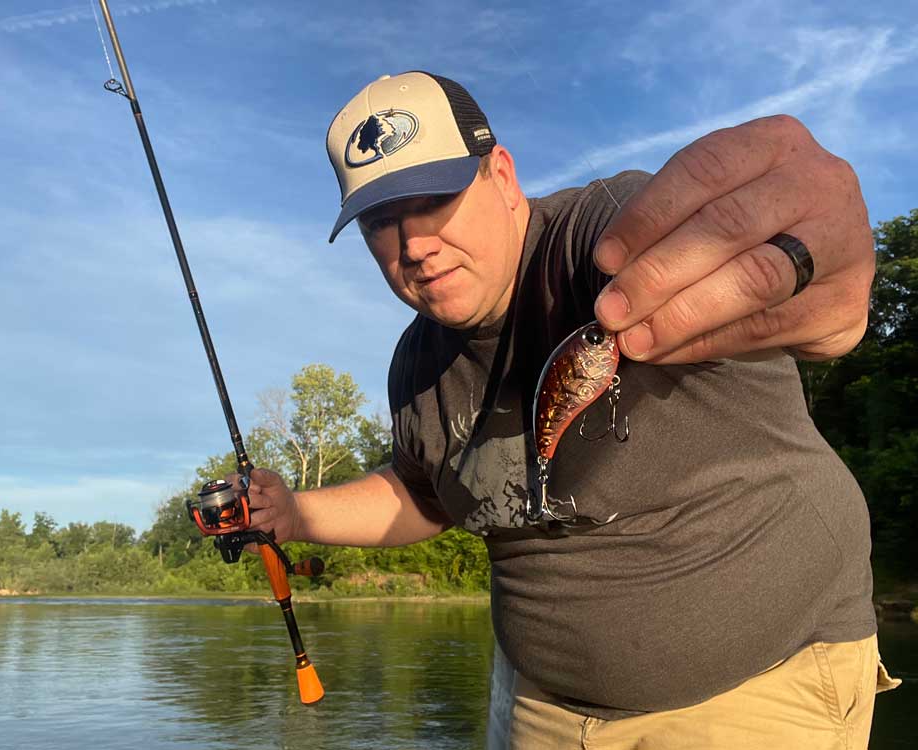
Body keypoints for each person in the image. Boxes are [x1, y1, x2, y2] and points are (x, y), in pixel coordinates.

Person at [238, 72, 900, 748]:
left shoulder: (603, 234)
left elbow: (741, 243)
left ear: (501, 173)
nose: (412, 244)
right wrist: (294, 513)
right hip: (539, 708)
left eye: (435, 199)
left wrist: (814, 255)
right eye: (380, 221)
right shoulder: (415, 364)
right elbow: (427, 496)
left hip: (759, 689)